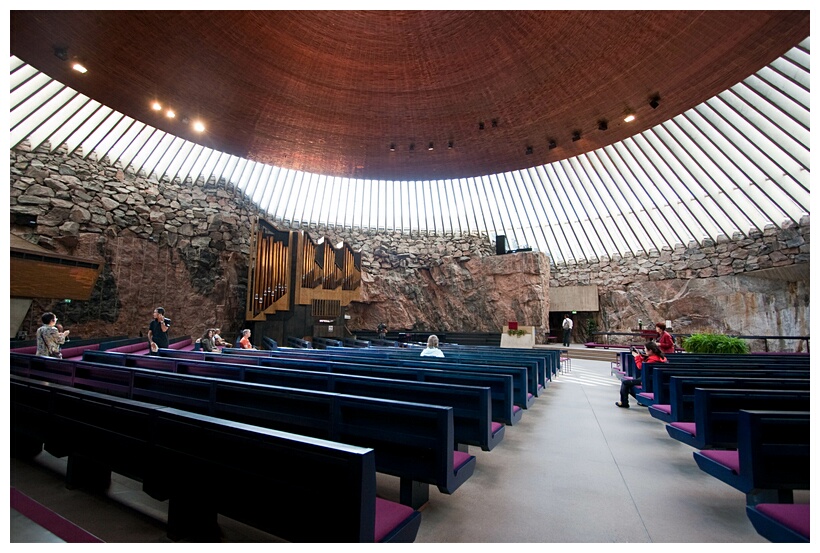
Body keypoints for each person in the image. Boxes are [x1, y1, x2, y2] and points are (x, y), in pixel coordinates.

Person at [616, 341, 667, 408]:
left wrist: (636, 357)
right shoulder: (660, 357)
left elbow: (641, 367)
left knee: (625, 383)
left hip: (647, 380)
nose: (644, 350)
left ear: (650, 350)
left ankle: (624, 402)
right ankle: (641, 401)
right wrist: (639, 355)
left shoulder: (652, 360)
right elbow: (645, 361)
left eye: (645, 349)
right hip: (655, 379)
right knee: (630, 384)